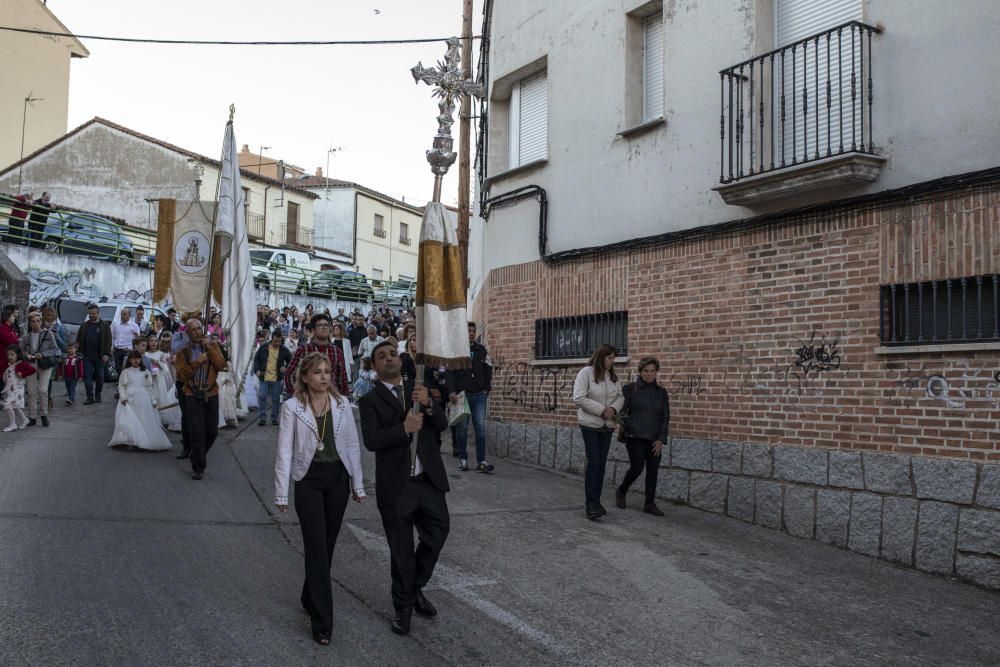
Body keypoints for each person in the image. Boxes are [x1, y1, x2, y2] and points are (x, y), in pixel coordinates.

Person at [274, 352, 366, 645]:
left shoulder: (342, 405)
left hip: (337, 480)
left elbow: (352, 445)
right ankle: (322, 622)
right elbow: (284, 451)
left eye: (327, 371)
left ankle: (308, 594)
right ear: (304, 377)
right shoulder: (291, 407)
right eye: (317, 372)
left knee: (326, 545)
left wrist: (358, 485)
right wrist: (281, 492)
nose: (324, 376)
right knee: (316, 547)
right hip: (308, 481)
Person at [359, 341, 450, 636]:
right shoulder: (369, 400)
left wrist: (428, 404)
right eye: (381, 357)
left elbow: (441, 424)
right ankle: (404, 608)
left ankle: (414, 588)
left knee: (437, 534)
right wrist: (403, 429)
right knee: (401, 551)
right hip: (396, 486)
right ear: (374, 367)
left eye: (392, 355)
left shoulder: (418, 388)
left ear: (401, 359)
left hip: (427, 480)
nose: (389, 359)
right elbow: (372, 440)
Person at [573, 344, 624, 520]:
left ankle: (597, 501)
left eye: (614, 359)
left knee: (601, 464)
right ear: (601, 357)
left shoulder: (613, 376)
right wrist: (601, 410)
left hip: (607, 426)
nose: (612, 361)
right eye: (610, 358)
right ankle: (591, 504)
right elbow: (578, 397)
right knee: (594, 462)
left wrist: (613, 409)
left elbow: (620, 396)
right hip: (590, 424)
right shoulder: (585, 373)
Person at [615, 358, 670, 516]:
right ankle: (621, 490)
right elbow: (621, 413)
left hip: (654, 439)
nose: (649, 374)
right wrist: (633, 427)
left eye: (652, 371)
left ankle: (649, 504)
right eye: (646, 371)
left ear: (656, 372)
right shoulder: (630, 389)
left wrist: (661, 439)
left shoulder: (661, 393)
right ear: (640, 372)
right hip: (635, 436)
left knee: (653, 470)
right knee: (637, 467)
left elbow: (665, 417)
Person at [174, 318, 225, 480]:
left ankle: (197, 454)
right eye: (193, 330)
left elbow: (221, 365)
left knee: (212, 431)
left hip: (211, 393)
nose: (196, 332)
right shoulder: (183, 351)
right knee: (196, 432)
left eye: (198, 329)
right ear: (187, 333)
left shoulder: (212, 345)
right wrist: (196, 363)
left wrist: (210, 348)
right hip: (192, 394)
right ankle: (198, 466)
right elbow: (181, 375)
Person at [447, 322, 494, 473]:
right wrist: (452, 392)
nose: (472, 333)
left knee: (480, 429)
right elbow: (449, 373)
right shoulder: (456, 351)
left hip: (479, 395)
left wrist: (487, 387)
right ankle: (463, 459)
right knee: (462, 430)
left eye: (474, 331)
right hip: (462, 396)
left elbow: (488, 368)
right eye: (469, 331)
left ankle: (481, 461)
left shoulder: (481, 350)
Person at [108, 350, 171, 451]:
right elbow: (121, 386)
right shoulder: (126, 372)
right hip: (129, 398)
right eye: (133, 358)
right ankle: (131, 440)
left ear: (140, 359)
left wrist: (153, 401)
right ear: (129, 360)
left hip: (143, 398)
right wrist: (123, 397)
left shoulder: (145, 371)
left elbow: (149, 387)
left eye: (137, 358)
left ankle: (143, 440)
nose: (135, 360)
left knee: (142, 418)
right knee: (130, 420)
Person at [284, 313, 350, 399]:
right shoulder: (303, 350)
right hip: (307, 399)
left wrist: (343, 399)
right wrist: (295, 393)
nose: (324, 327)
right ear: (313, 330)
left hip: (330, 399)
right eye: (320, 325)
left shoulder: (336, 351)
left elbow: (342, 379)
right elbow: (290, 374)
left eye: (326, 325)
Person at [21, 311, 60, 427]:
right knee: (32, 392)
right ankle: (32, 417)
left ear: (41, 321)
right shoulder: (26, 336)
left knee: (43, 390)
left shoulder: (48, 334)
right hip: (31, 364)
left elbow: (56, 350)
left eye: (38, 321)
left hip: (45, 364)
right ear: (30, 323)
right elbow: (21, 351)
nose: (36, 324)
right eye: (33, 321)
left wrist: (42, 354)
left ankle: (44, 415)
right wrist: (26, 354)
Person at [144, 334, 182, 432]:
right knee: (150, 397)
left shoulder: (160, 353)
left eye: (155, 341)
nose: (153, 343)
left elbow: (165, 368)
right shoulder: (146, 354)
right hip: (149, 378)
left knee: (159, 396)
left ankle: (161, 419)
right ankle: (150, 419)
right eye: (151, 341)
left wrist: (158, 363)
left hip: (158, 379)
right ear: (148, 343)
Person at [76, 303, 111, 404]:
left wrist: (106, 354)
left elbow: (108, 340)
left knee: (100, 376)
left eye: (93, 313)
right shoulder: (84, 326)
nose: (91, 315)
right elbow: (78, 340)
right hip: (86, 355)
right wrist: (77, 352)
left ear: (98, 313)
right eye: (90, 313)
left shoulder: (104, 325)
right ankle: (89, 397)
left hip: (100, 356)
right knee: (87, 376)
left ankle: (98, 394)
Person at [254, 330, 291, 426]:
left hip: (277, 378)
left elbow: (291, 361)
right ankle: (262, 417)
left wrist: (285, 368)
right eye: (275, 341)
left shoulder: (283, 349)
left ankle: (274, 417)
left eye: (279, 341)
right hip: (264, 377)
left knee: (276, 399)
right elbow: (256, 359)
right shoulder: (263, 347)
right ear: (271, 339)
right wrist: (257, 370)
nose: (277, 343)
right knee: (262, 397)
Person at [2, 346, 34, 431]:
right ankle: (25, 420)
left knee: (8, 405)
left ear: (18, 355)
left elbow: (32, 370)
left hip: (17, 389)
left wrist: (22, 374)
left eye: (12, 355)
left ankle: (13, 424)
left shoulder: (21, 363)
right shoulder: (8, 364)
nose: (10, 357)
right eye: (8, 355)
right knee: (15, 406)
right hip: (9, 389)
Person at [111, 308, 140, 384]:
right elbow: (112, 337)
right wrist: (112, 347)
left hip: (127, 351)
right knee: (117, 368)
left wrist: (132, 348)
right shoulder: (115, 324)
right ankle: (121, 383)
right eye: (121, 314)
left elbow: (138, 340)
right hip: (117, 350)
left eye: (124, 314)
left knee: (126, 369)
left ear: (129, 315)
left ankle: (123, 385)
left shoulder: (134, 326)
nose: (122, 316)